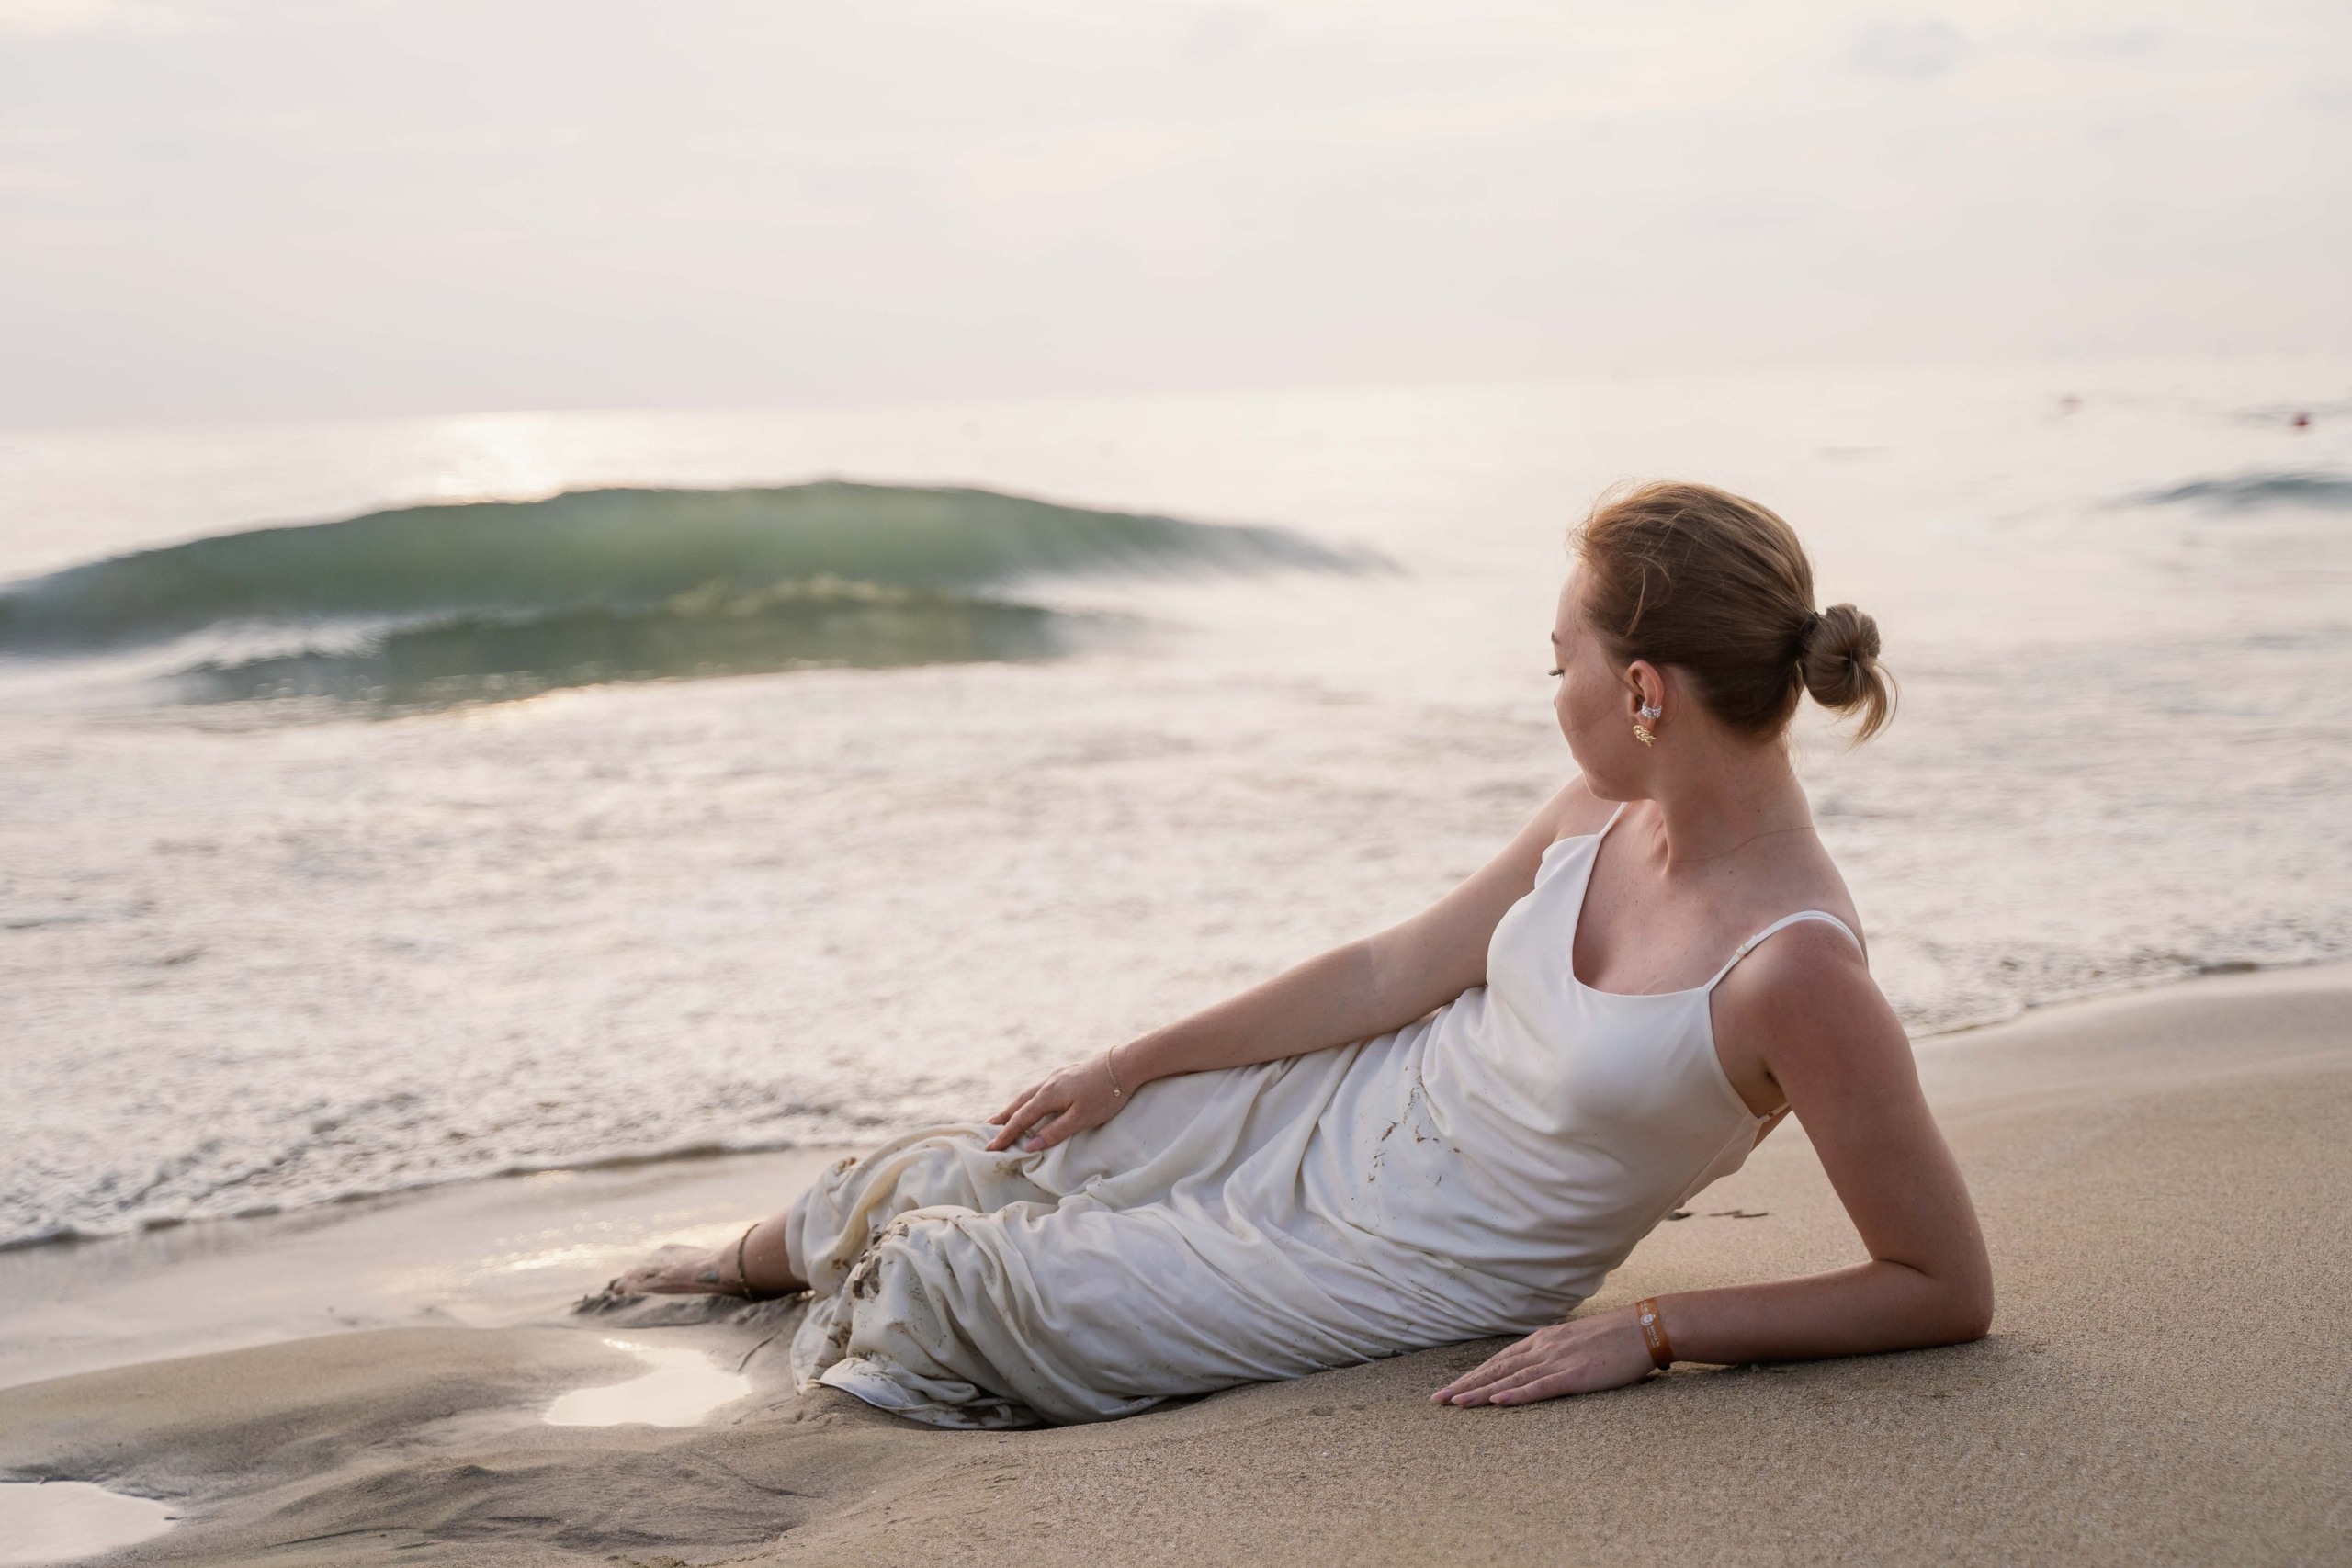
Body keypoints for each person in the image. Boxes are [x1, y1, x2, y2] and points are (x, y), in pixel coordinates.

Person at [612, 480, 1995, 1428]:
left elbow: (1942, 1286)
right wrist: (1130, 1064)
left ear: (1642, 691)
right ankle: (736, 1265)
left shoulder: (1794, 972)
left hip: (1400, 1268)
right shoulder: (1598, 814)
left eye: (1558, 657)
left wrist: (1653, 1332)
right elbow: (1390, 976)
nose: (1547, 688)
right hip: (1329, 1114)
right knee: (956, 1169)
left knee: (941, 1288)